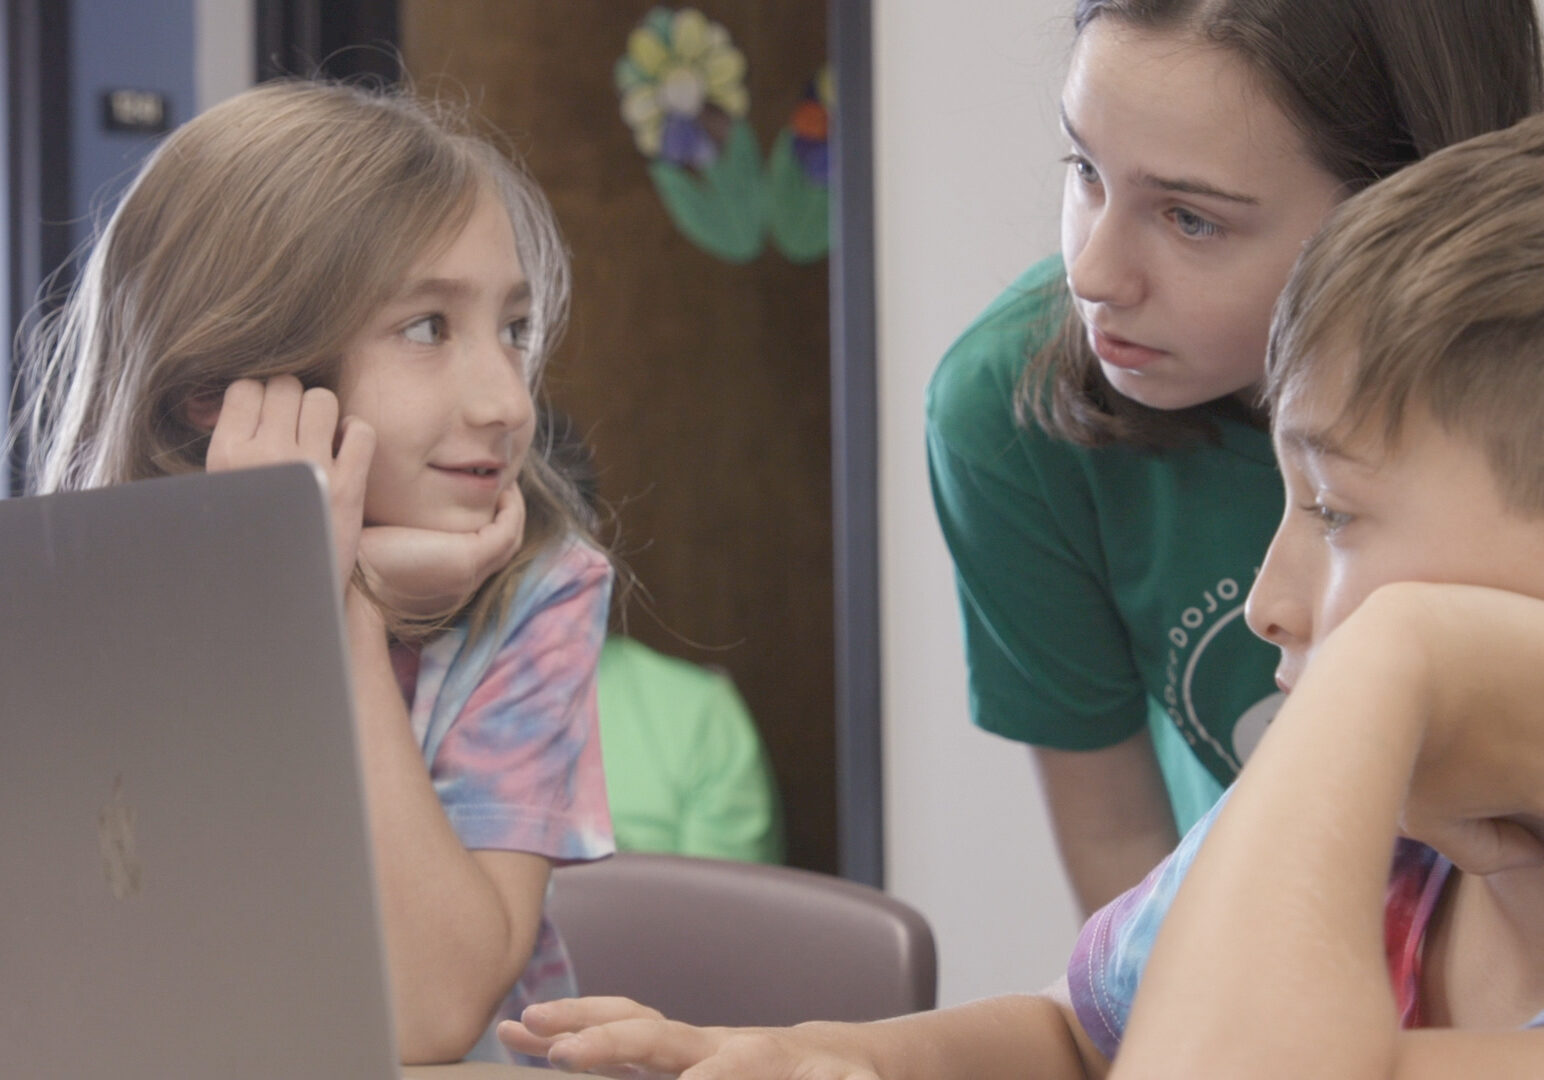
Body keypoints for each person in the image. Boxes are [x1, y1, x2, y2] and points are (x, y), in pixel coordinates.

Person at [497, 106, 1544, 1080]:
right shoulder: (1347, 847)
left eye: (1334, 512)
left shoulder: (1324, 812)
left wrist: (1389, 660)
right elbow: (1075, 1035)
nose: (1263, 598)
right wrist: (822, 1056)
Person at [14, 80, 613, 1065]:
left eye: (513, 327)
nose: (509, 400)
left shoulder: (540, 590)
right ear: (228, 392)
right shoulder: (75, 606)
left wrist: (330, 601)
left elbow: (429, 1012)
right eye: (427, 327)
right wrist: (247, 577)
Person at [926, 0, 1544, 913]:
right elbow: (1120, 872)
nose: (1093, 275)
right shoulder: (1006, 413)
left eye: (1190, 220)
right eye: (1085, 170)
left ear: (1411, 198)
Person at [540, 408, 786, 863]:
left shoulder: (697, 718)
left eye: (540, 532)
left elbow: (726, 924)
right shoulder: (399, 702)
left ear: (590, 540)